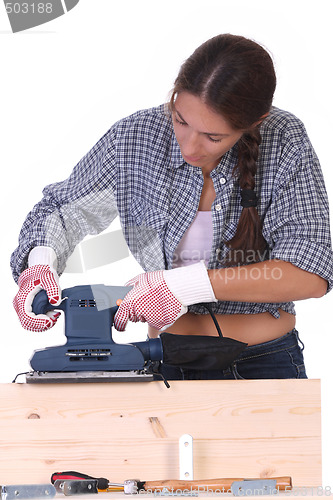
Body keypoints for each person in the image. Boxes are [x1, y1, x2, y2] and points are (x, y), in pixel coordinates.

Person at [11, 34, 333, 380]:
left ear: (256, 121)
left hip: (263, 364)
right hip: (163, 368)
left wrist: (182, 285)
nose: (190, 147)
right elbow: (64, 211)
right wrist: (40, 261)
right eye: (181, 120)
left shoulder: (284, 139)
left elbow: (310, 273)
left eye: (213, 137)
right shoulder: (136, 136)